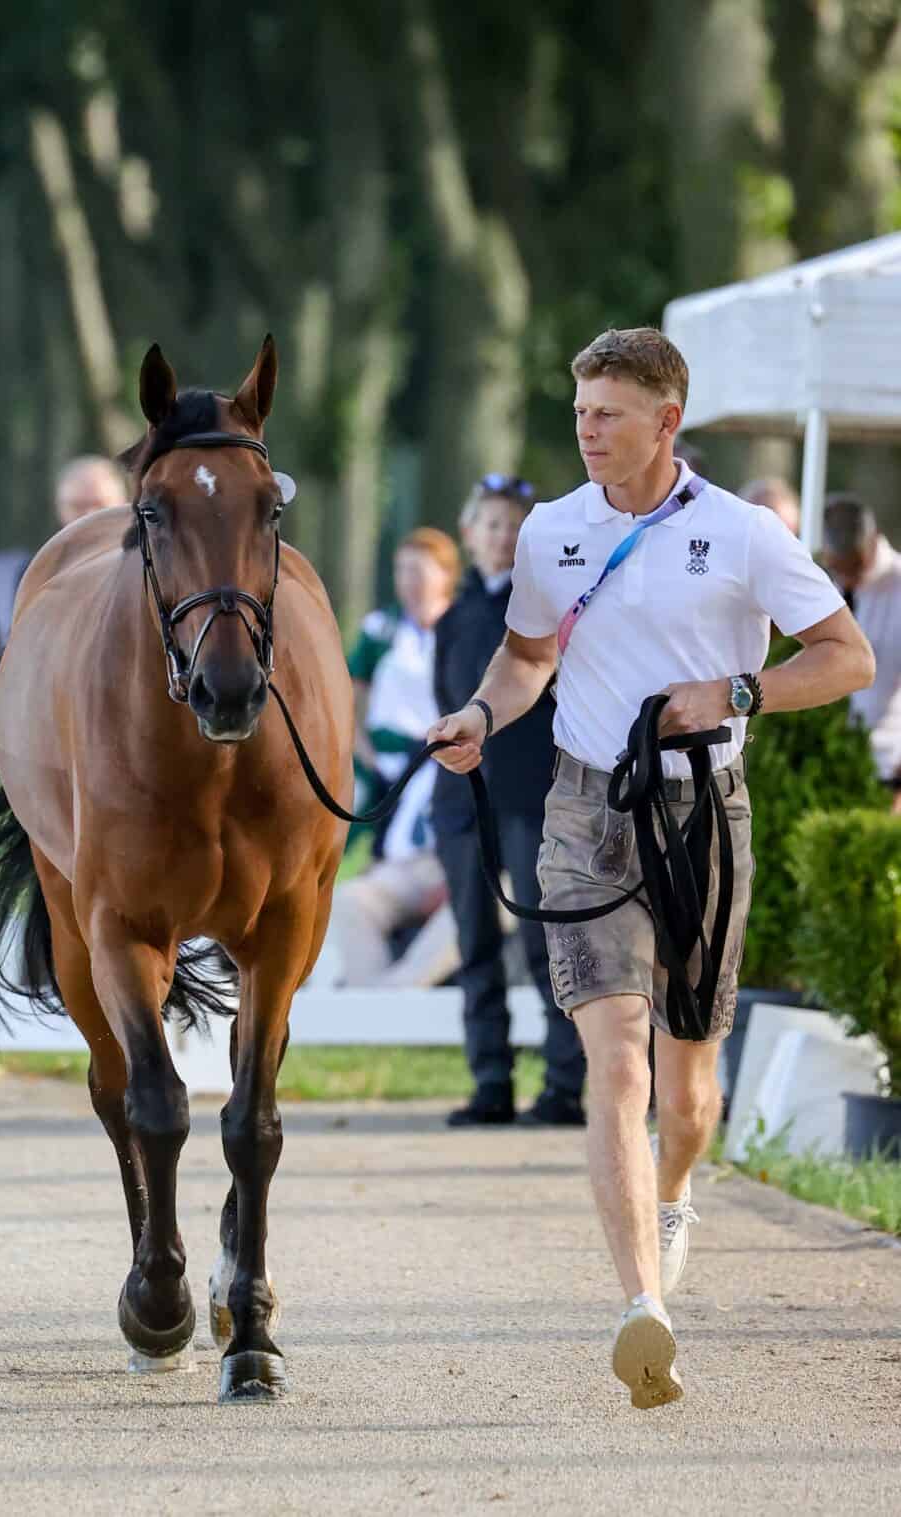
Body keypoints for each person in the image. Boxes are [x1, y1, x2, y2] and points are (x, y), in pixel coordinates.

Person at [429, 327, 873, 1409]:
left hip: (705, 813)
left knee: (685, 1090)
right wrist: (485, 712)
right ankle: (642, 1307)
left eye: (607, 413)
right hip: (586, 808)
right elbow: (528, 654)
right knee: (614, 1062)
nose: (585, 429)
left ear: (664, 422)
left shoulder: (740, 533)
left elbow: (844, 656)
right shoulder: (549, 532)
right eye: (578, 410)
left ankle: (671, 1195)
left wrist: (733, 694)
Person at [433, 475, 587, 1128]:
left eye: (512, 525)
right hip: (463, 801)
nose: (500, 536)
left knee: (542, 941)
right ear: (470, 534)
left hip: (532, 794)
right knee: (474, 945)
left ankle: (562, 1083)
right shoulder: (454, 618)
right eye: (489, 524)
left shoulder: (546, 613)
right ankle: (490, 1079)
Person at [321, 528, 460, 987]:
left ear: (445, 576)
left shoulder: (459, 628)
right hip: (383, 755)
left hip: (438, 755)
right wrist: (362, 750)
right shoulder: (382, 628)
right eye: (402, 570)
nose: (410, 581)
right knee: (339, 828)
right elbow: (352, 692)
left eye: (420, 570)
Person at [823, 494, 901, 812]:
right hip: (829, 762)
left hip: (888, 767)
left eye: (853, 569)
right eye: (838, 570)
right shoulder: (824, 579)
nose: (846, 578)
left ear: (871, 542)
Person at [13, 454, 127, 597]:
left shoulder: (147, 565)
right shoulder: (37, 572)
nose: (89, 515)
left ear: (122, 505)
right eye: (78, 506)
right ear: (60, 508)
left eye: (100, 505)